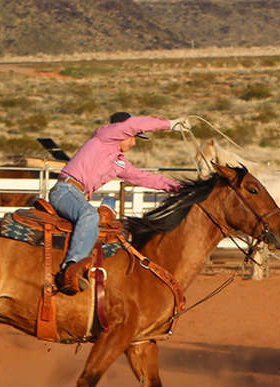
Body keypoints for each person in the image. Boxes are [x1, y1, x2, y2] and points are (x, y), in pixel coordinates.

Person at [51, 111, 192, 294]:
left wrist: (179, 188)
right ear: (122, 132)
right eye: (133, 138)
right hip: (66, 190)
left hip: (75, 193)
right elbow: (132, 125)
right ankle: (71, 267)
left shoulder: (119, 162)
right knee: (89, 215)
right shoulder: (105, 136)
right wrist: (170, 124)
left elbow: (145, 178)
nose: (133, 143)